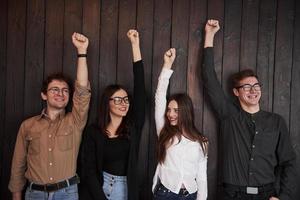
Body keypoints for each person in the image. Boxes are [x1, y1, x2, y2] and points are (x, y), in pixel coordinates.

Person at [202, 19, 296, 200]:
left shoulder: (276, 122)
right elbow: (209, 79)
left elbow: (289, 162)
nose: (253, 90)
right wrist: (209, 36)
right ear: (236, 92)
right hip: (232, 195)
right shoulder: (228, 115)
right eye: (246, 87)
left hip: (267, 195)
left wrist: (283, 197)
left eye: (256, 85)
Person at [8, 32, 91, 200]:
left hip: (67, 193)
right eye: (55, 89)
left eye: (65, 90)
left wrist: (82, 52)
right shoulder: (28, 126)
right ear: (44, 95)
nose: (60, 93)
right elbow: (18, 165)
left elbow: (82, 91)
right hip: (34, 194)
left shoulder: (75, 121)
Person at [80, 29, 145, 200]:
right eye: (117, 100)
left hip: (124, 189)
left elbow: (140, 89)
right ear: (107, 103)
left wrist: (135, 45)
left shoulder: (133, 127)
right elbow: (89, 170)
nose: (123, 103)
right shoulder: (93, 132)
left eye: (125, 99)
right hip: (99, 189)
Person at [152, 48, 208, 200]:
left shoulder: (201, 141)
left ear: (186, 112)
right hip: (165, 194)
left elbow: (202, 177)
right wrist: (167, 66)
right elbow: (160, 96)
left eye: (176, 111)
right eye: (169, 110)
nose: (170, 114)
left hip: (190, 195)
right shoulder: (163, 131)